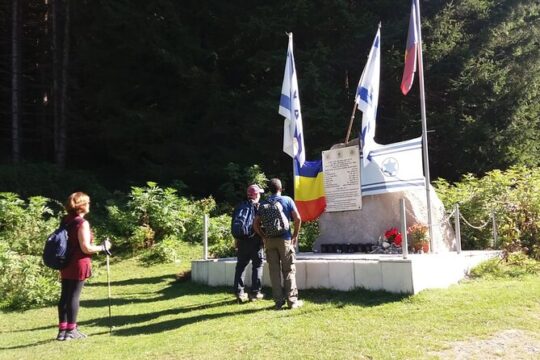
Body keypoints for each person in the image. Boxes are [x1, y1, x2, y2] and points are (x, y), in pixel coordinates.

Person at [56, 192, 111, 341]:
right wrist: (103, 247)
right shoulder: (82, 223)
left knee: (65, 296)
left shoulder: (66, 220)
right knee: (74, 296)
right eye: (87, 202)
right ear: (82, 205)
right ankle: (71, 330)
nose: (89, 205)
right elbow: (86, 248)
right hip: (79, 262)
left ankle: (63, 330)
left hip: (65, 262)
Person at [254, 178, 303, 310]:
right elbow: (298, 219)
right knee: (288, 271)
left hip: (270, 241)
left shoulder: (263, 202)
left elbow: (255, 224)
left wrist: (264, 237)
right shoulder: (287, 200)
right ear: (280, 188)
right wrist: (295, 235)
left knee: (274, 272)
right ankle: (292, 302)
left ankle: (278, 303)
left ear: (269, 189)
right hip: (284, 240)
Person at [232, 184, 265, 302]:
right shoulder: (259, 207)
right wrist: (263, 237)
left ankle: (239, 292)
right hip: (255, 240)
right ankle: (255, 293)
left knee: (240, 266)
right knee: (257, 265)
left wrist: (236, 240)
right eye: (259, 193)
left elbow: (236, 224)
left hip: (241, 241)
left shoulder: (240, 206)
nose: (260, 195)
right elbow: (260, 224)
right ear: (256, 194)